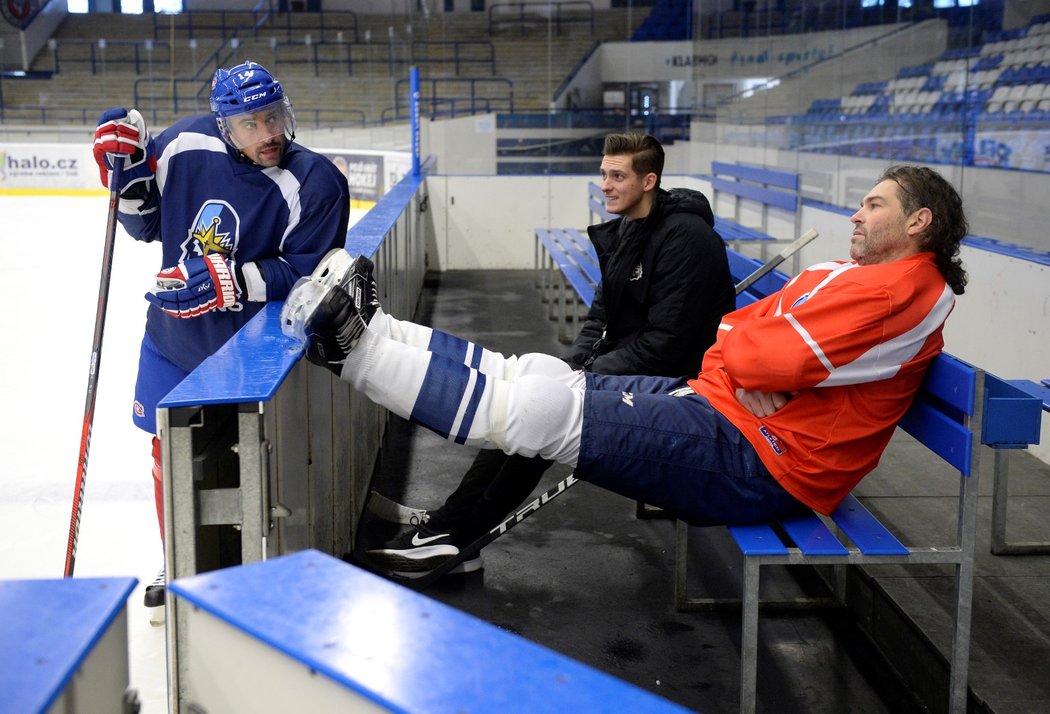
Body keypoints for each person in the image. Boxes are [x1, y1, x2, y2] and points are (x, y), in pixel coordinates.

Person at [283, 164, 967, 572]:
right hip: (723, 411)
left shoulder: (907, 289)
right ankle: (379, 332)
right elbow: (733, 331)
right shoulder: (851, 273)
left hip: (766, 464)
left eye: (874, 204)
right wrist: (745, 362)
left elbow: (757, 346)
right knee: (542, 382)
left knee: (542, 411)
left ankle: (354, 351)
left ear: (920, 222)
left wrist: (748, 361)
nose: (857, 211)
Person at [366, 133, 736, 576]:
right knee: (530, 397)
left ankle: (458, 537)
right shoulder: (633, 227)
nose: (606, 185)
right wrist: (575, 364)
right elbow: (603, 313)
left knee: (539, 411)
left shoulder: (686, 239)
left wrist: (585, 376)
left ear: (649, 181)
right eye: (604, 174)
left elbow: (668, 344)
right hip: (634, 368)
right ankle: (452, 525)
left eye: (618, 176)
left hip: (679, 384)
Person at [92, 60, 350, 615]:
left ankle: (245, 574)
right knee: (167, 450)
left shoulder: (317, 183)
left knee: (240, 464)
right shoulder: (184, 143)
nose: (270, 134)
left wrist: (232, 280)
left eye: (275, 118)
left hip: (248, 355)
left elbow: (313, 271)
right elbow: (147, 225)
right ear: (224, 124)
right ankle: (177, 555)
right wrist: (129, 177)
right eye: (253, 124)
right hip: (171, 340)